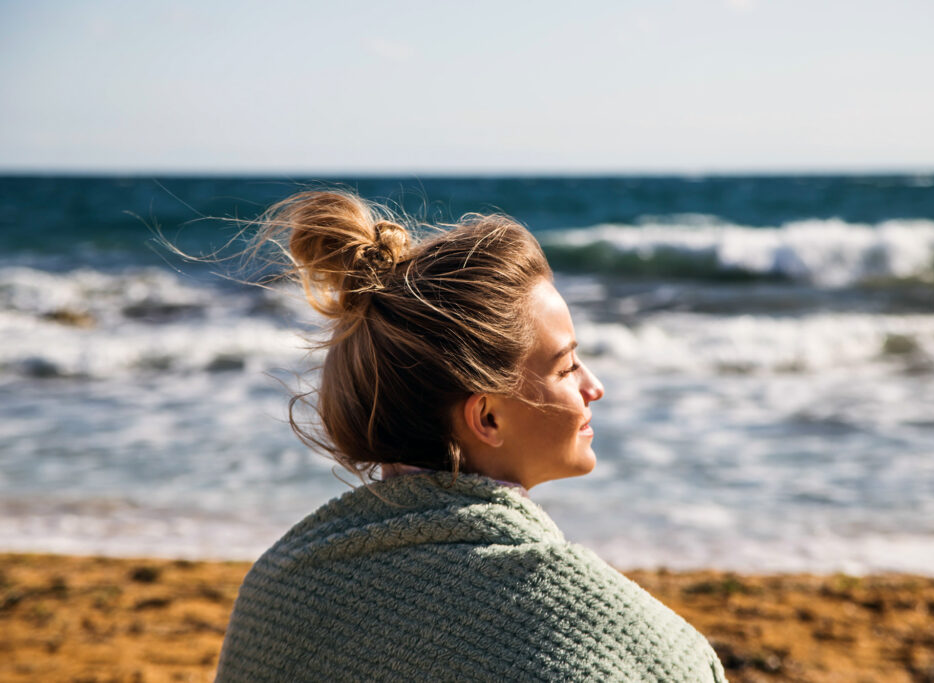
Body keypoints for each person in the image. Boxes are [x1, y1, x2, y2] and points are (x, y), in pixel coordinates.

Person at [215, 190, 727, 682]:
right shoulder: (644, 650)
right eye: (568, 367)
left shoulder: (277, 589)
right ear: (487, 418)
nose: (595, 387)